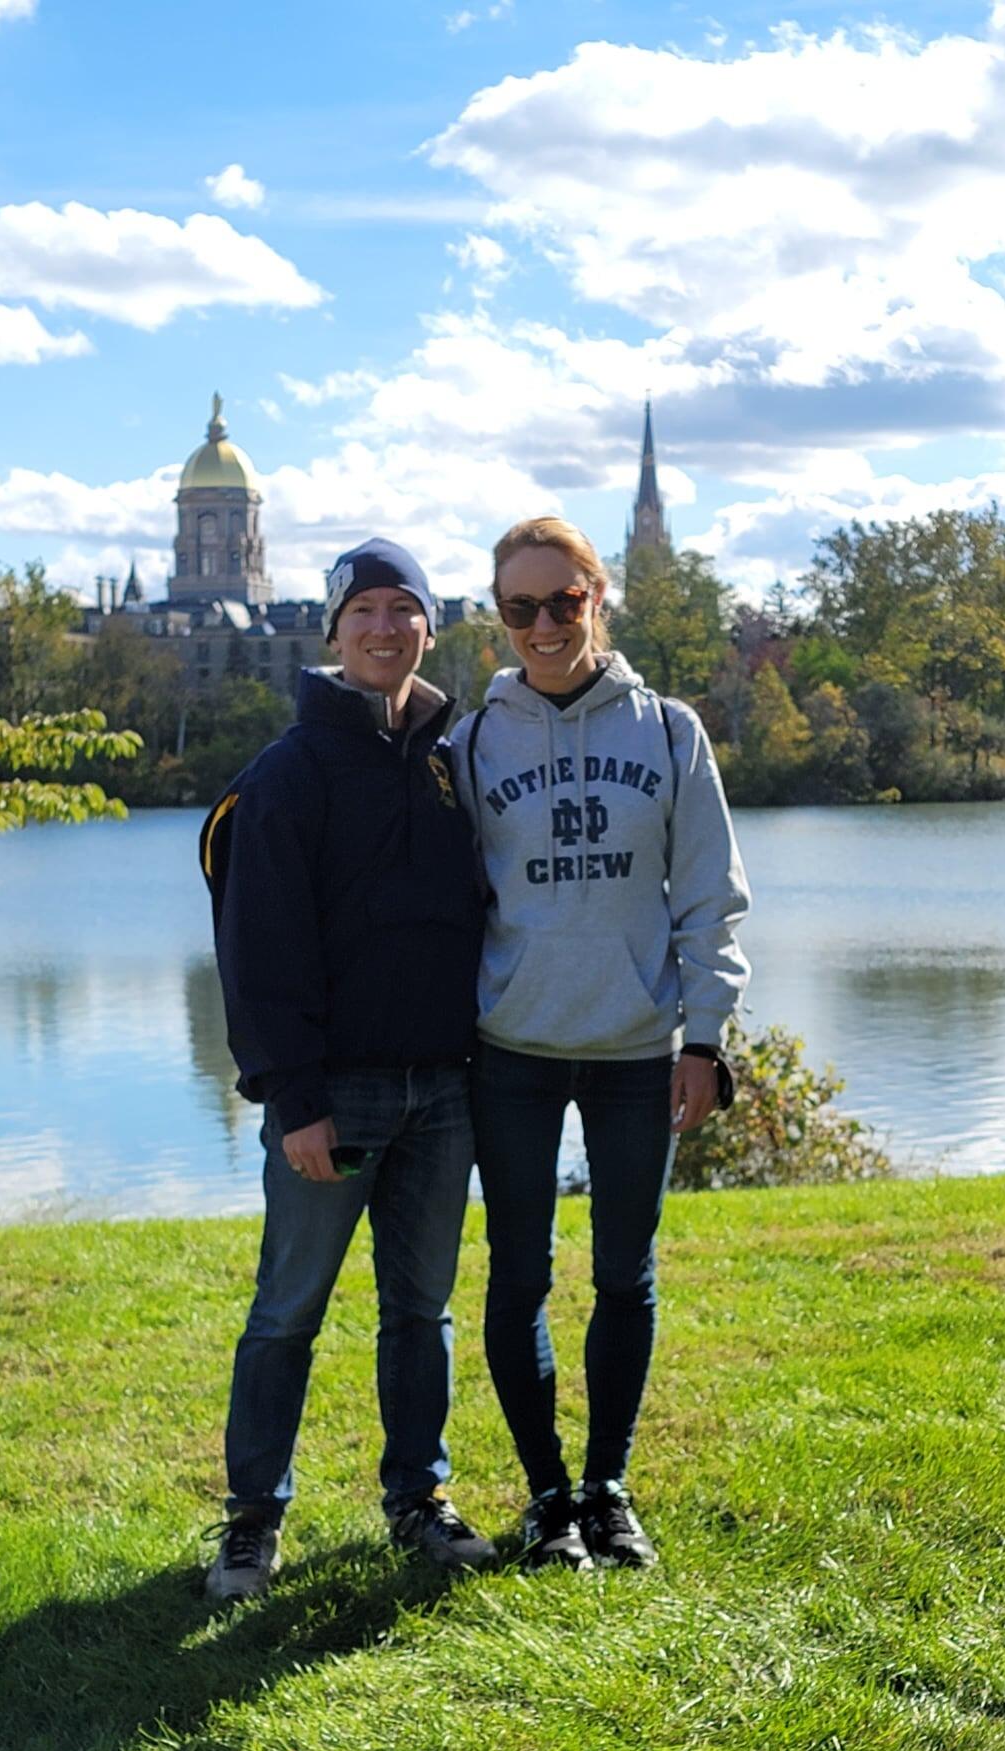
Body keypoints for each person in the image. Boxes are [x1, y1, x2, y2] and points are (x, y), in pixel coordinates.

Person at [451, 517, 750, 1571]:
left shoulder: (668, 730)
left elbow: (710, 896)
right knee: (518, 1274)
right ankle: (546, 1500)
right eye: (517, 608)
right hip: (513, 1048)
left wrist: (704, 1038)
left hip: (635, 1047)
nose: (541, 626)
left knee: (625, 1270)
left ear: (597, 597)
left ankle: (608, 1489)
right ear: (499, 616)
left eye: (561, 602)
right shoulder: (471, 742)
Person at [200, 537, 494, 1599]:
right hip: (337, 1092)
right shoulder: (286, 776)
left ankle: (419, 1495)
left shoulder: (454, 759)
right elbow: (257, 956)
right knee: (287, 1310)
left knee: (422, 1309)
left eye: (403, 609)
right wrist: (293, 1099)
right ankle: (252, 1518)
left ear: (428, 626)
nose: (385, 628)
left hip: (445, 1085)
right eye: (364, 610)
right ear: (333, 632)